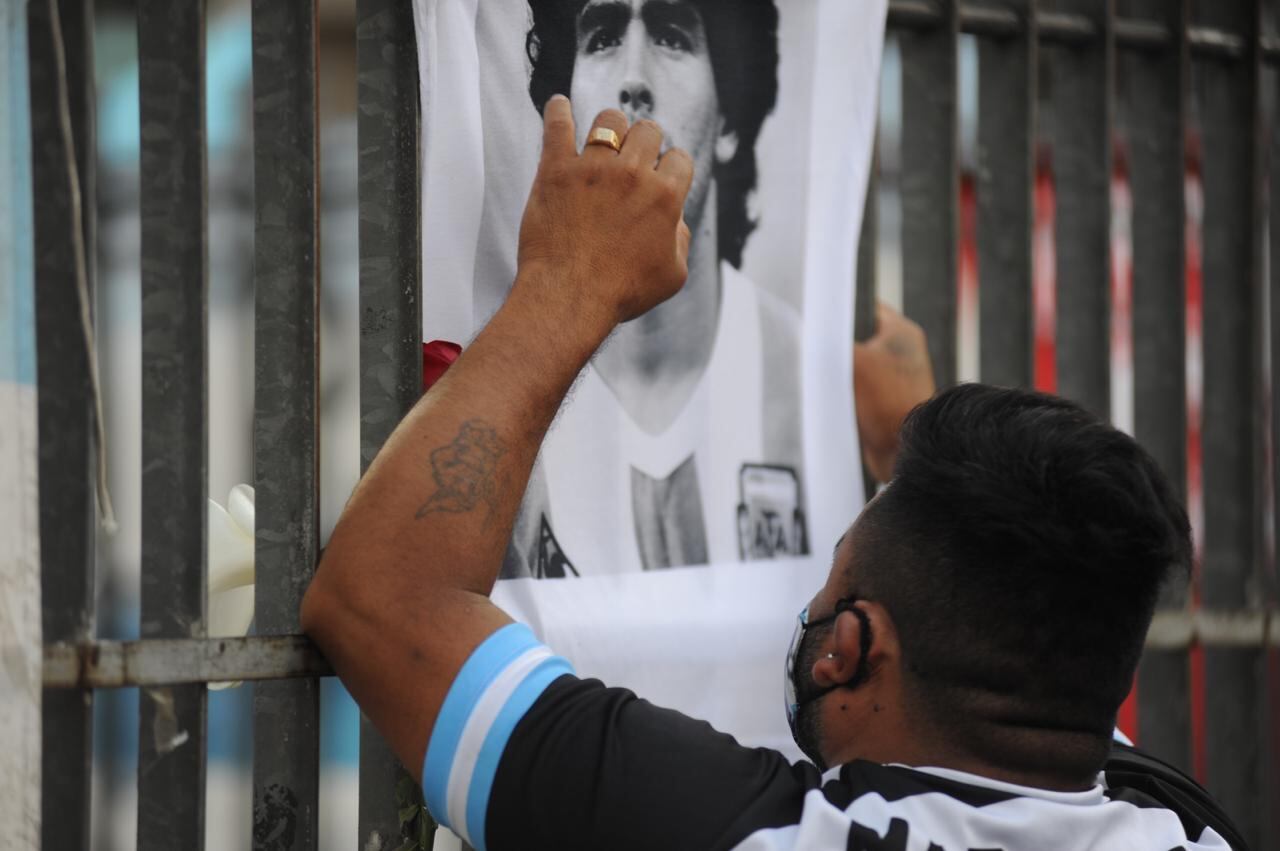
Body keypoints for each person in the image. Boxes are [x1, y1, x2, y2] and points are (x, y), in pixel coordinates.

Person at [302, 104, 1244, 850]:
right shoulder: (1181, 826)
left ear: (848, 650)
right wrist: (912, 456)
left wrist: (567, 288)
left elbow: (381, 600)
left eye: (830, 587)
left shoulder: (772, 835)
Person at [504, 0, 803, 576]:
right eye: (603, 37)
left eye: (670, 36)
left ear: (731, 120)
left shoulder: (808, 374)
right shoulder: (500, 372)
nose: (634, 80)